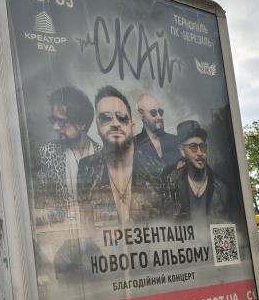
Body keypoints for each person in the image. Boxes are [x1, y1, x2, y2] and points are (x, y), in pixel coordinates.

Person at [77, 86, 164, 225]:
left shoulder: (158, 170)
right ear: (98, 127)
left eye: (122, 117)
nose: (115, 123)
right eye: (106, 118)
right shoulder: (86, 169)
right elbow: (87, 228)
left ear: (132, 126)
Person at [35, 86, 101, 224]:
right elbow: (39, 205)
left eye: (61, 122)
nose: (55, 127)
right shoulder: (47, 153)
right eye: (53, 120)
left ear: (81, 123)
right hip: (63, 231)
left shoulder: (102, 156)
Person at [164, 120, 229, 222]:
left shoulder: (222, 188)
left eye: (202, 146)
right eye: (193, 147)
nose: (200, 153)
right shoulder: (171, 182)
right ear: (182, 151)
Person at [134, 93, 180, 169]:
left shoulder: (175, 141)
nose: (159, 117)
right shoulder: (133, 145)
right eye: (153, 113)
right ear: (141, 114)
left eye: (160, 112)